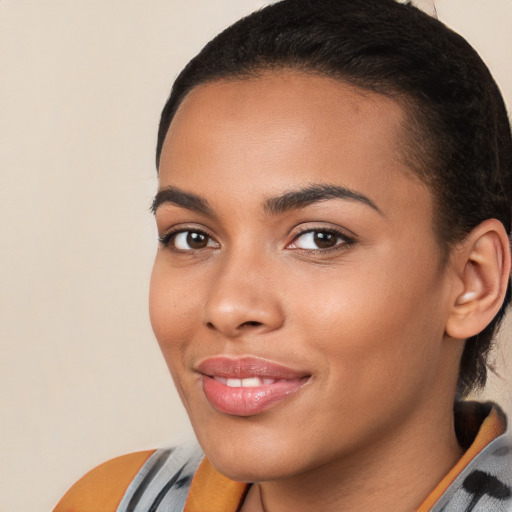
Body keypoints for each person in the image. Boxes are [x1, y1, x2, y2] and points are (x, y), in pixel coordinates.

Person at [54, 0, 512, 510]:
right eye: (192, 237)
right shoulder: (109, 501)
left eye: (320, 238)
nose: (226, 307)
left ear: (474, 281)